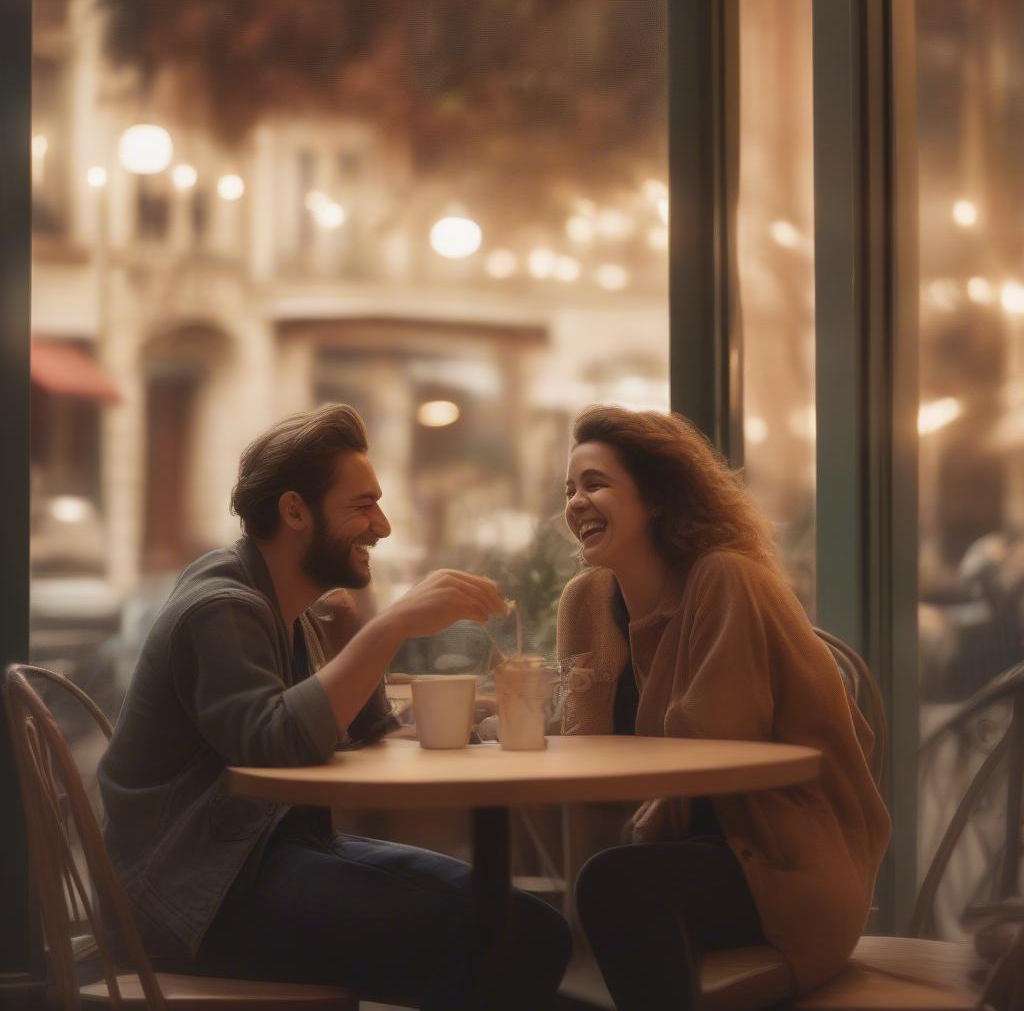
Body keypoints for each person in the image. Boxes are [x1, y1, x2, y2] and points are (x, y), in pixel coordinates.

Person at [98, 403, 570, 1011]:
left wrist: (373, 641)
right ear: (295, 510)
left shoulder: (286, 607)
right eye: (362, 505)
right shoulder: (223, 606)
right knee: (516, 938)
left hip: (251, 861)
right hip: (191, 896)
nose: (384, 526)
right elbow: (273, 745)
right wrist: (392, 625)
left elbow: (354, 730)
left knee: (520, 928)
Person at [557, 405, 890, 1011]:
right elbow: (571, 729)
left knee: (611, 888)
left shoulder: (725, 578)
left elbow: (713, 748)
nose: (576, 502)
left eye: (596, 484)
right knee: (529, 919)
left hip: (781, 865)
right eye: (570, 489)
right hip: (668, 850)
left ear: (657, 497)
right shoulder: (586, 601)